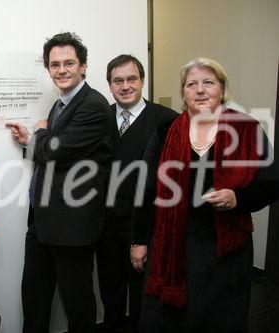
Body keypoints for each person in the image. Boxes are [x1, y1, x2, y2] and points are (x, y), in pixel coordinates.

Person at [130, 57, 279, 332]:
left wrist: (238, 198)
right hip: (173, 243)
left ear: (222, 89)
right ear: (183, 94)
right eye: (191, 84)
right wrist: (138, 240)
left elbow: (271, 184)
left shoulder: (247, 130)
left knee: (221, 320)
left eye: (208, 83)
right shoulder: (165, 132)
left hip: (226, 250)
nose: (200, 90)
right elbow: (146, 188)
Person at [6, 32, 114, 333]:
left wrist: (40, 134)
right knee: (34, 300)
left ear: (83, 66)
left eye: (69, 63)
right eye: (55, 65)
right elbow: (58, 154)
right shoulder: (59, 105)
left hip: (73, 226)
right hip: (42, 223)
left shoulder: (93, 104)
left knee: (77, 304)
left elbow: (56, 149)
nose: (62, 70)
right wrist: (33, 139)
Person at [96, 54, 177, 333]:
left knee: (144, 293)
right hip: (106, 224)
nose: (125, 85)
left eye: (132, 79)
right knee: (110, 289)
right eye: (118, 80)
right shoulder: (100, 118)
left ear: (142, 81)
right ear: (110, 85)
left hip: (146, 224)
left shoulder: (167, 120)